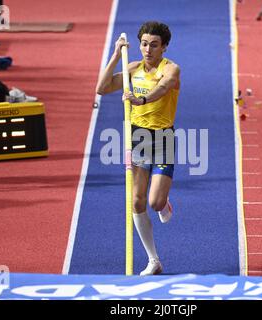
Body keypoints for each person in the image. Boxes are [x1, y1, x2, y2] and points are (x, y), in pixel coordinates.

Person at [96, 21, 180, 276]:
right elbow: (102, 88)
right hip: (138, 138)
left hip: (163, 137)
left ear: (164, 47)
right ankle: (153, 260)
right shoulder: (131, 67)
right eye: (144, 44)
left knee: (155, 203)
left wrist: (140, 99)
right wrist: (115, 53)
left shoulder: (171, 69)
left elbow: (164, 88)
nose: (147, 49)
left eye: (154, 45)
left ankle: (165, 203)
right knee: (136, 201)